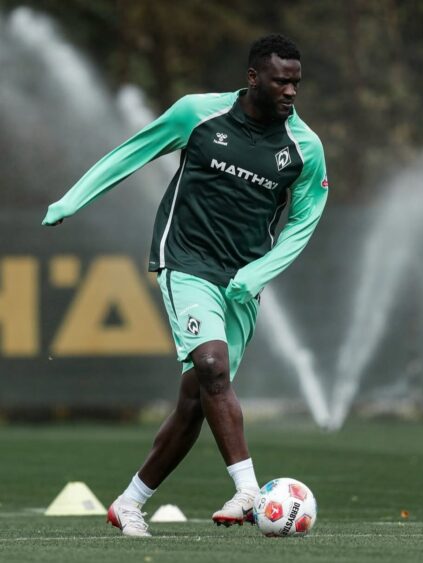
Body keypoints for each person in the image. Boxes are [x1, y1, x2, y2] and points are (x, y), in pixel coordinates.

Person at [43, 33, 328, 537]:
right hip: (186, 262)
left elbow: (304, 222)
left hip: (242, 283)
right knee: (213, 366)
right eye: (280, 81)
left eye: (296, 83)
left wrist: (257, 274)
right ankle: (248, 490)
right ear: (253, 77)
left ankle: (129, 503)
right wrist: (73, 199)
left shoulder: (305, 148)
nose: (290, 92)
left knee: (196, 400)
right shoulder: (197, 114)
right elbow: (132, 153)